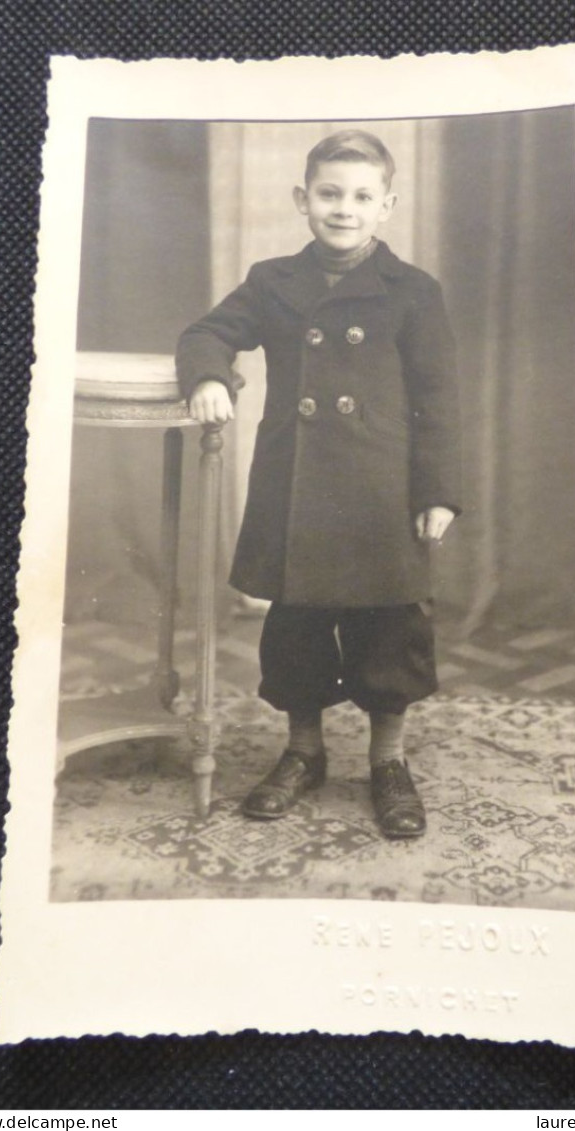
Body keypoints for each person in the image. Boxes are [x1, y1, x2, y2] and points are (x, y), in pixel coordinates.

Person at [176, 129, 461, 838]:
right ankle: (303, 751)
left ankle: (387, 761)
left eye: (361, 196)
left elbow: (439, 399)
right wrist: (210, 376)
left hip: (380, 490)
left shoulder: (413, 292)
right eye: (329, 193)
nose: (344, 208)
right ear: (303, 199)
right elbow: (206, 333)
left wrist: (437, 491)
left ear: (386, 205)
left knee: (390, 627)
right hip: (297, 489)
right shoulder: (273, 280)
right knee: (296, 626)